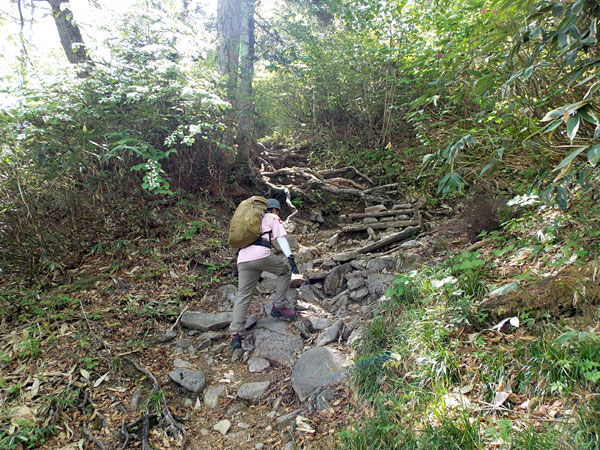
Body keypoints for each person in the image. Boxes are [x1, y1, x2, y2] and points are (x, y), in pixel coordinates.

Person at [230, 198, 300, 349]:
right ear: (274, 209)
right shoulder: (272, 217)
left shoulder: (249, 219)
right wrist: (291, 259)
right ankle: (279, 306)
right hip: (261, 255)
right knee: (285, 271)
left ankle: (235, 334)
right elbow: (281, 238)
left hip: (243, 259)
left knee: (243, 295)